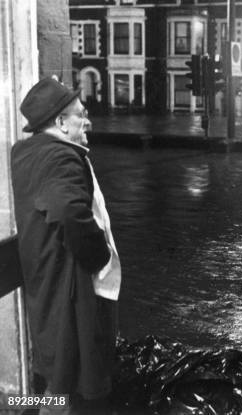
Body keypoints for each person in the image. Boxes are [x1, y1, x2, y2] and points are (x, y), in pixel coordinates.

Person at [10, 77, 121, 413]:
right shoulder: (61, 158)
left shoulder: (25, 152)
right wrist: (98, 256)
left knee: (57, 372)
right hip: (69, 287)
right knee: (72, 383)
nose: (87, 121)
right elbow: (67, 211)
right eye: (80, 115)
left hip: (44, 279)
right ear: (60, 123)